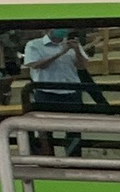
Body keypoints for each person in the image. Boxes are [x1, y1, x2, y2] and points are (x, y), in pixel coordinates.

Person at [22, 28, 91, 157]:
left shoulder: (73, 44)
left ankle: (73, 160)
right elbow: (37, 65)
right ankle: (48, 159)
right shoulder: (34, 45)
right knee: (45, 130)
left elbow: (81, 66)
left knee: (74, 130)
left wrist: (76, 50)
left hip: (71, 92)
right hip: (46, 92)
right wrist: (61, 52)